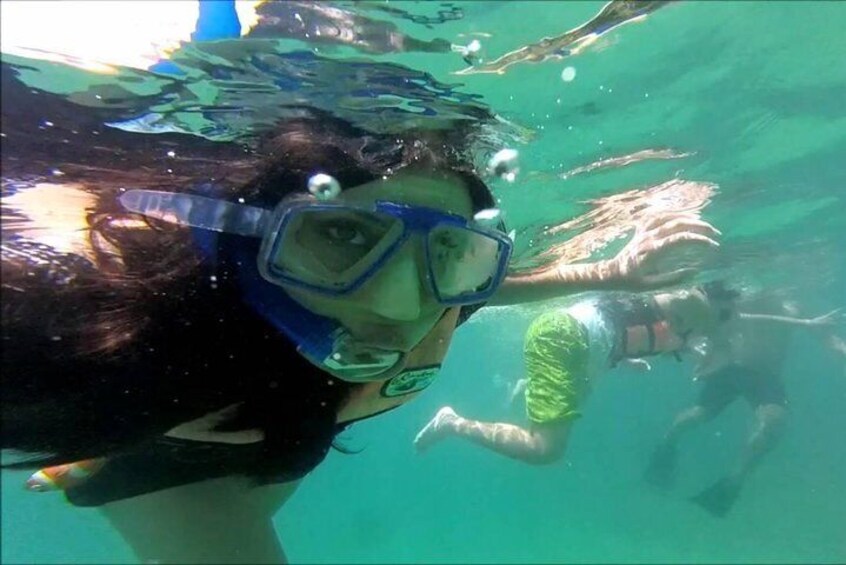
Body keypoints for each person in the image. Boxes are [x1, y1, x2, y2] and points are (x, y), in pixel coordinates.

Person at [1, 62, 720, 565]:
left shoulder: (425, 299)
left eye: (446, 255)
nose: (401, 301)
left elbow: (471, 290)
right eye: (342, 234)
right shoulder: (124, 341)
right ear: (250, 240)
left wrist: (609, 270)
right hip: (175, 469)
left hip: (284, 449)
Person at [413, 283, 741, 464]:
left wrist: (624, 360)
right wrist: (720, 340)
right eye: (724, 315)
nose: (722, 322)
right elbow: (698, 307)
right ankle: (452, 423)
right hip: (565, 336)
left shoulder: (680, 319)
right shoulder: (691, 297)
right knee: (545, 450)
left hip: (574, 344)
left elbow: (616, 327)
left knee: (563, 420)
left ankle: (525, 387)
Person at [645, 294, 844, 517]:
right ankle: (666, 447)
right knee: (698, 414)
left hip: (766, 375)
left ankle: (731, 484)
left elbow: (831, 340)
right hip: (732, 368)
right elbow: (732, 318)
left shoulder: (795, 304)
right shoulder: (745, 297)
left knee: (773, 423)